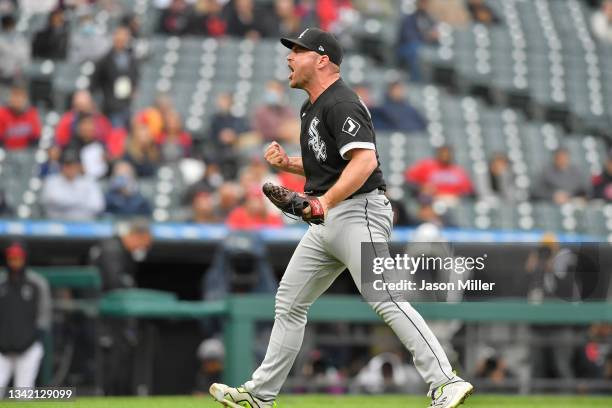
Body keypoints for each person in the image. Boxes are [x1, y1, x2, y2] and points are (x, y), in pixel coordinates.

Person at [209, 27, 473, 408]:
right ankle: (260, 396)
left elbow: (364, 162)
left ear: (322, 60)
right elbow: (328, 166)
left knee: (384, 296)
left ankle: (445, 381)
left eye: (297, 51)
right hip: (328, 218)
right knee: (289, 301)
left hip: (357, 210)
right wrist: (290, 164)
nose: (289, 57)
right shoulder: (310, 107)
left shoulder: (342, 102)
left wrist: (324, 202)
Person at [0, 242, 52, 397]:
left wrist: (32, 339)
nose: (14, 261)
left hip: (28, 348)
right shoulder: (1, 283)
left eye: (18, 258)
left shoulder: (37, 283)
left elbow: (44, 316)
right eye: (11, 258)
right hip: (2, 350)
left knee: (23, 393)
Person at [91, 26, 139, 129]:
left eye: (124, 37)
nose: (121, 40)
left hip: (127, 103)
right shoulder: (104, 60)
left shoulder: (131, 58)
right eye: (119, 37)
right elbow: (95, 83)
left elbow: (135, 76)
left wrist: (134, 88)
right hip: (111, 105)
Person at [90, 218, 153, 292]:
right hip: (100, 298)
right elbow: (113, 282)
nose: (143, 248)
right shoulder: (112, 249)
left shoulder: (119, 247)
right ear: (136, 236)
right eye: (144, 244)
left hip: (104, 296)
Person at [41, 149, 104, 220]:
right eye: (67, 165)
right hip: (57, 223)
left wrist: (66, 203)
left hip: (85, 224)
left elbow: (97, 206)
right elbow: (50, 201)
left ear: (79, 166)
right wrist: (80, 202)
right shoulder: (51, 181)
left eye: (73, 165)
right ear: (61, 166)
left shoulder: (89, 182)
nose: (70, 168)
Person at [405, 145, 473, 203]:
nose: (445, 156)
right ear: (438, 154)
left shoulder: (458, 171)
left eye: (447, 154)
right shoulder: (426, 166)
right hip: (430, 201)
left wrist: (458, 195)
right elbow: (409, 182)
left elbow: (469, 192)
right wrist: (421, 187)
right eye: (443, 154)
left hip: (452, 201)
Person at [396, 0, 438, 81]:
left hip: (424, 47)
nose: (424, 5)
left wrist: (435, 36)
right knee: (415, 50)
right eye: (422, 2)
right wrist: (425, 37)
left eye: (426, 3)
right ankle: (416, 82)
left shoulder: (430, 19)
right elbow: (408, 36)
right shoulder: (409, 18)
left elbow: (435, 34)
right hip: (406, 47)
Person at [0, 83, 41, 150]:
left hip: (26, 155)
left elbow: (35, 139)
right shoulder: (2, 114)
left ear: (26, 98)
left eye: (21, 96)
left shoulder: (32, 113)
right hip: (6, 154)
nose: (18, 100)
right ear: (10, 97)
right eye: (15, 95)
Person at [0, 15, 30, 86]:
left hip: (17, 76)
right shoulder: (1, 39)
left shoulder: (21, 40)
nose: (9, 28)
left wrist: (19, 69)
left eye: (11, 25)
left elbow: (25, 58)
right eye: (7, 25)